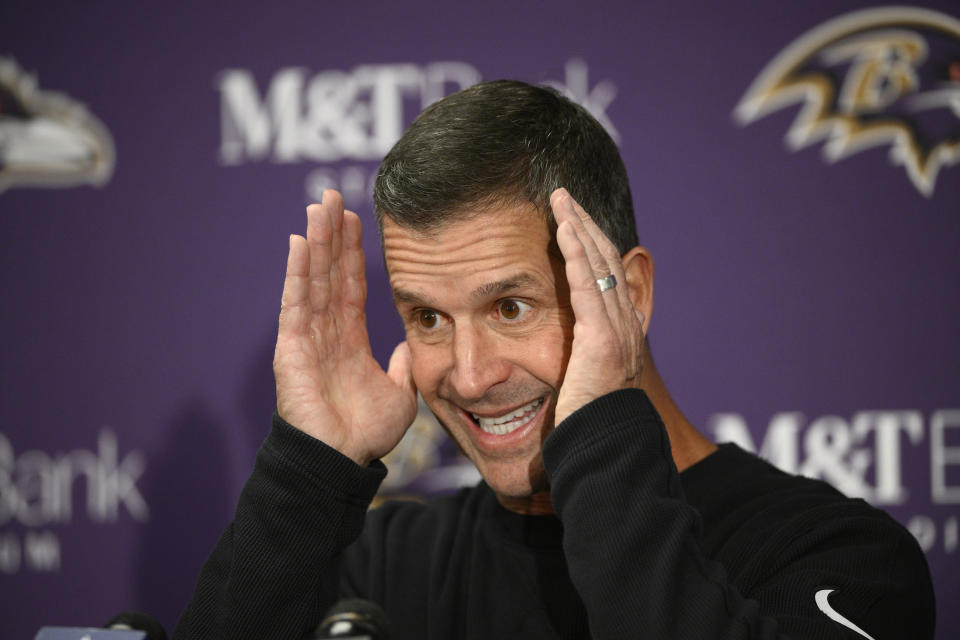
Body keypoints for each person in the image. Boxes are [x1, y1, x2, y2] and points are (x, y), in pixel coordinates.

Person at [175, 80, 935, 639]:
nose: (469, 375)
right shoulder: (381, 573)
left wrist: (600, 441)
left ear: (628, 294)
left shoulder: (838, 559)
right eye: (428, 318)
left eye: (511, 307)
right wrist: (309, 470)